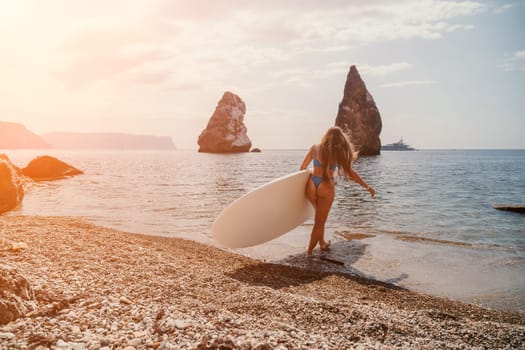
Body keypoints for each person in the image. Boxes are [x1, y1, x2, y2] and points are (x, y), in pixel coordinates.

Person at [300, 126, 375, 257]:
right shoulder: (338, 153)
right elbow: (350, 172)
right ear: (340, 140)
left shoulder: (315, 148)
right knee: (320, 221)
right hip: (325, 186)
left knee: (319, 217)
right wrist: (367, 187)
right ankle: (309, 253)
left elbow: (302, 167)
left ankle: (322, 243)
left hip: (311, 184)